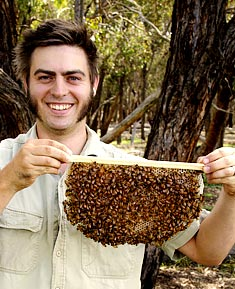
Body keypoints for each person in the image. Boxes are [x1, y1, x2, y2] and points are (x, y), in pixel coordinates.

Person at [0, 19, 235, 289]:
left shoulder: (139, 174)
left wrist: (231, 193)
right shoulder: (3, 162)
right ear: (25, 82)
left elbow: (208, 252)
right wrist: (8, 181)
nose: (59, 90)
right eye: (45, 77)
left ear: (94, 83)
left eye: (73, 77)